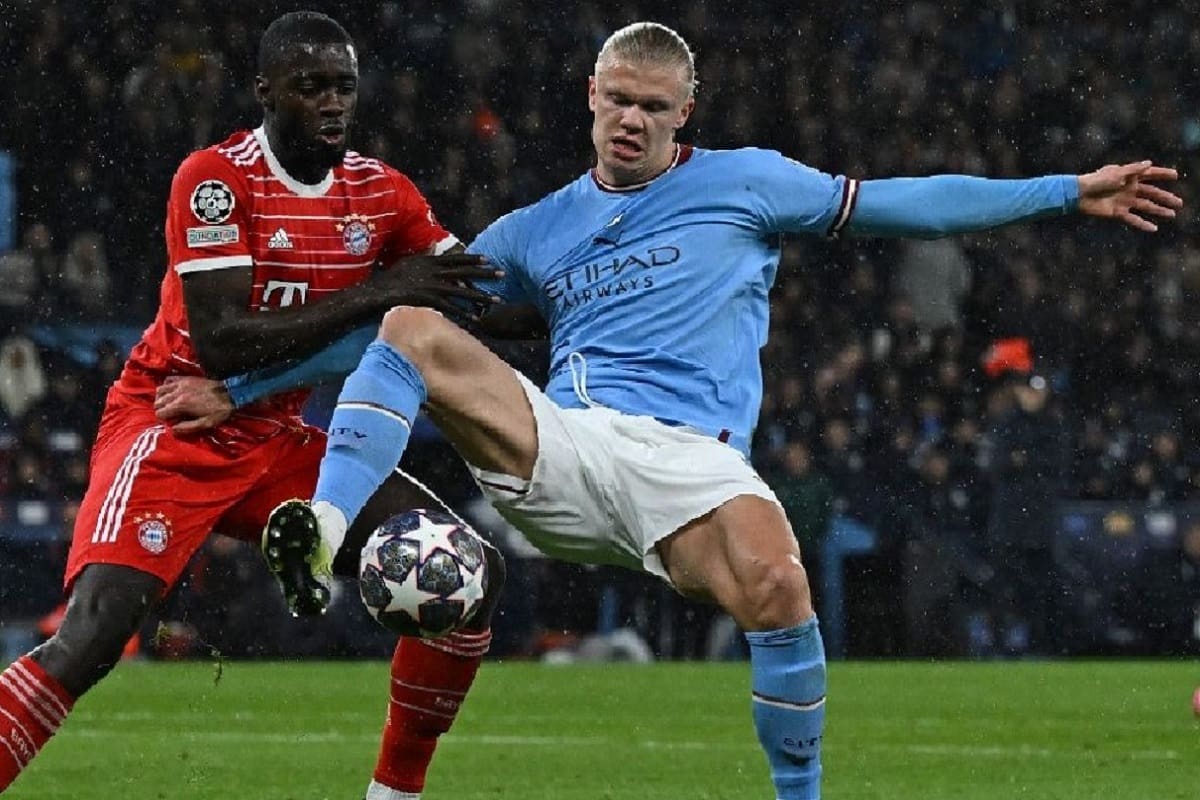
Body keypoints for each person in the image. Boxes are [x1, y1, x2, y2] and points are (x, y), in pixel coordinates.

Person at [171, 21, 1179, 799]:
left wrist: (1061, 190)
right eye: (618, 100)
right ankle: (326, 533)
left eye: (654, 106)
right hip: (565, 448)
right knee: (410, 320)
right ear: (591, 96)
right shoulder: (536, 225)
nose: (632, 120)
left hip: (693, 467)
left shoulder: (751, 184)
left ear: (683, 112)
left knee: (782, 584)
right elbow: (373, 331)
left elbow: (908, 202)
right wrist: (243, 388)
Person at [0, 13, 508, 800]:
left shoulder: (381, 192)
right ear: (267, 91)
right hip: (172, 423)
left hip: (277, 438)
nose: (332, 103)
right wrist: (384, 292)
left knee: (470, 572)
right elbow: (226, 337)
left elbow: (474, 293)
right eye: (311, 88)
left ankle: (393, 794)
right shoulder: (215, 178)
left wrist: (584, 288)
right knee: (94, 635)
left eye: (343, 86)